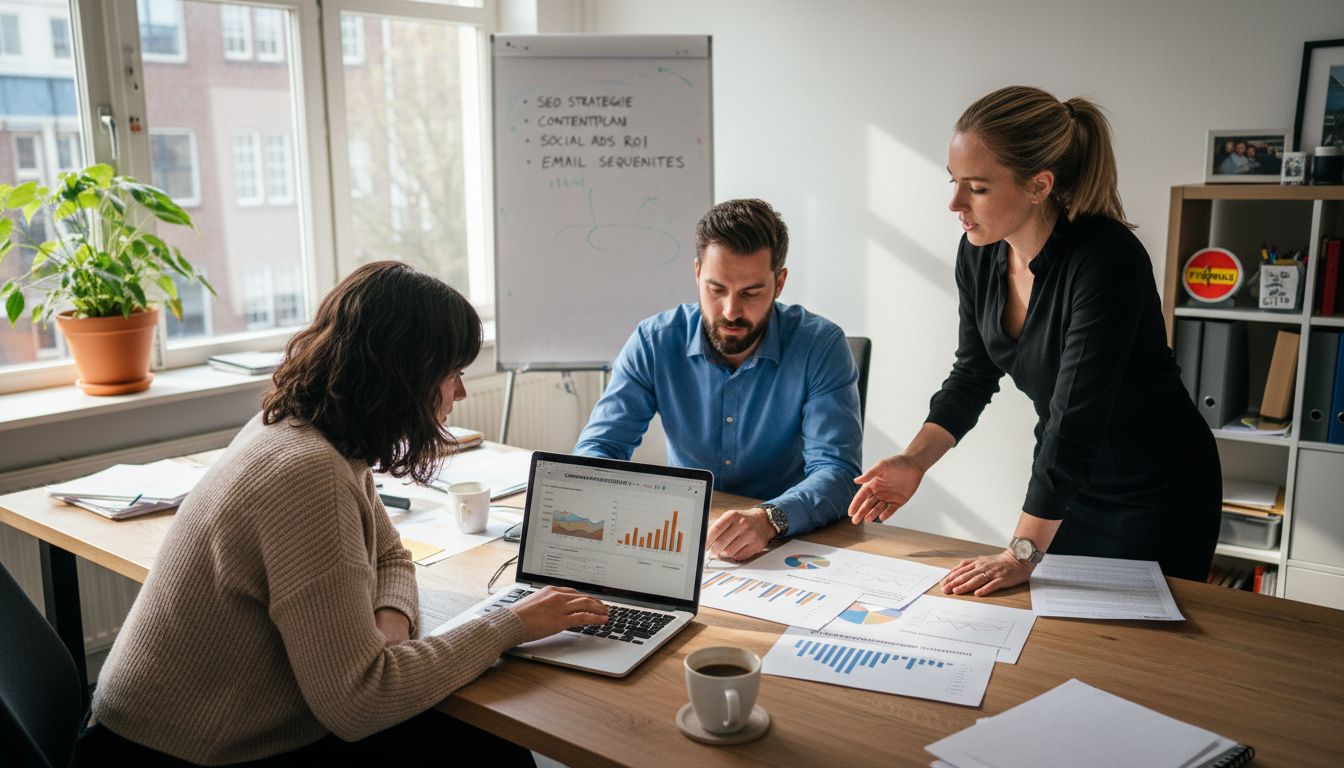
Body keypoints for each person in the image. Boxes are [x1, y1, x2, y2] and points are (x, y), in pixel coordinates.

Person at [77, 262, 609, 766]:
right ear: (403, 376)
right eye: (452, 373)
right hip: (172, 762)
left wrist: (389, 629)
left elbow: (392, 557)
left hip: (198, 734)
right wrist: (510, 623)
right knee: (488, 748)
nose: (461, 391)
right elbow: (361, 704)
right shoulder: (306, 474)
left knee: (480, 740)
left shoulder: (306, 430)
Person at [849, 86, 1220, 597]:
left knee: (1141, 658)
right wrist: (915, 462)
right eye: (954, 181)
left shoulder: (1106, 259)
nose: (954, 203)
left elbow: (1074, 418)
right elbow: (972, 373)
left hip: (1155, 487)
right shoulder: (979, 253)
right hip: (1068, 487)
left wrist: (1021, 550)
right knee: (1060, 638)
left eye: (976, 188)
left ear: (1039, 186)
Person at [575, 199, 863, 562]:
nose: (730, 310)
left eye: (751, 293)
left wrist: (770, 517)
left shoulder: (820, 346)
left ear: (780, 282)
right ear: (697, 272)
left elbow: (837, 472)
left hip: (786, 540)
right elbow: (599, 448)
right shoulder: (654, 341)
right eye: (716, 289)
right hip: (681, 539)